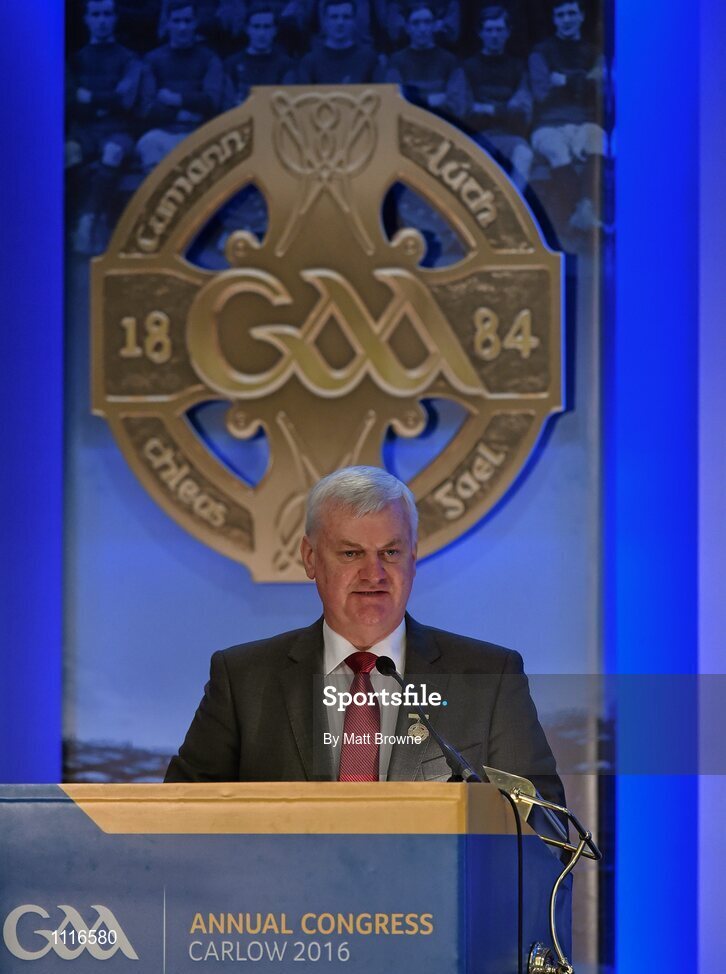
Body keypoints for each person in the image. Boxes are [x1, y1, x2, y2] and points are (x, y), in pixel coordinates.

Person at [166, 466, 564, 809]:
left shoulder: (490, 678)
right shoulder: (242, 680)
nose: (373, 573)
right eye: (351, 554)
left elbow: (546, 837)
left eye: (390, 552)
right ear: (310, 558)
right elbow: (177, 824)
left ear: (413, 556)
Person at [66, 0, 141, 253]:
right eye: (96, 14)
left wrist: (90, 98)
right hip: (84, 131)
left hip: (117, 129)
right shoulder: (76, 59)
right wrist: (107, 99)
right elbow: (69, 101)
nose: (102, 20)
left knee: (113, 153)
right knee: (68, 153)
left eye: (107, 14)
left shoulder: (129, 58)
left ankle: (88, 222)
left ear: (115, 18)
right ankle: (77, 221)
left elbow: (126, 100)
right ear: (86, 19)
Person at [528, 0, 606, 231]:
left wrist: (565, 81)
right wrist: (584, 80)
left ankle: (582, 211)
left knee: (597, 138)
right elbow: (542, 93)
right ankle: (583, 210)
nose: (567, 20)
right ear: (554, 20)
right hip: (548, 124)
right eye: (561, 15)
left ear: (581, 16)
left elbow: (599, 89)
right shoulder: (541, 52)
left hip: (584, 121)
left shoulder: (594, 51)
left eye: (571, 13)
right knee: (557, 150)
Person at [136, 0, 224, 171]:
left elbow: (213, 101)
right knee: (148, 143)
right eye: (176, 21)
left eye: (187, 21)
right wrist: (182, 113)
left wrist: (177, 99)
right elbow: (146, 107)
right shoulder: (152, 59)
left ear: (195, 23)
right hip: (163, 133)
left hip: (200, 133)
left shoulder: (209, 58)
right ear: (167, 23)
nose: (182, 27)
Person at [462, 5, 533, 189]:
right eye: (489, 30)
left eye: (499, 30)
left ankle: (515, 207)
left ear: (508, 32)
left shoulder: (517, 67)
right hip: (478, 138)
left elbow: (523, 112)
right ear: (480, 33)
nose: (494, 35)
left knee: (524, 155)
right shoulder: (467, 67)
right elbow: (465, 111)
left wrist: (485, 109)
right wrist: (504, 110)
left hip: (510, 137)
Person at [385, 2, 465, 115]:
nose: (422, 29)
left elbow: (458, 105)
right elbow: (394, 103)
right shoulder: (396, 61)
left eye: (427, 22)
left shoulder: (450, 61)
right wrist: (430, 100)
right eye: (416, 23)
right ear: (407, 28)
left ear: (434, 26)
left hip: (443, 126)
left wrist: (414, 100)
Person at [223, 3, 295, 107]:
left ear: (274, 30)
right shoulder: (231, 64)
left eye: (267, 27)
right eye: (256, 27)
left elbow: (287, 102)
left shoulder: (286, 65)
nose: (261, 33)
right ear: (247, 29)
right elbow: (227, 105)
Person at [295, 0, 381, 84]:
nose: (340, 22)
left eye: (346, 17)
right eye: (334, 17)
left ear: (354, 21)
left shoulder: (369, 59)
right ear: (325, 21)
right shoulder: (309, 62)